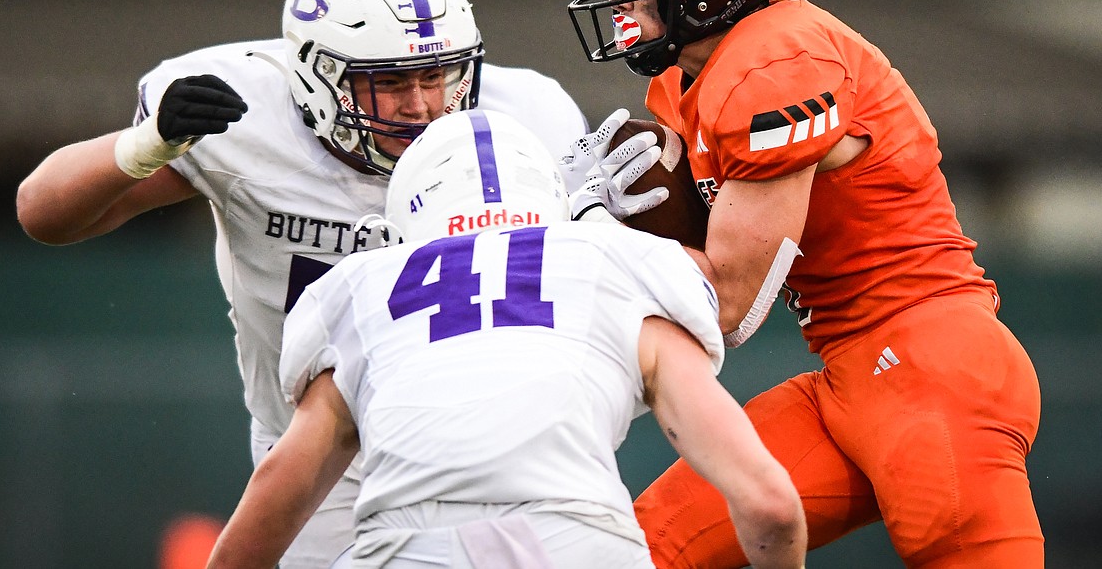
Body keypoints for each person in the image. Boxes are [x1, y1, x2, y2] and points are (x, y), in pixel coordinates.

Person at [15, 0, 588, 569]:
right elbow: (45, 217)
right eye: (391, 81)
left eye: (437, 75)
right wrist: (142, 145)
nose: (423, 105)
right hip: (319, 467)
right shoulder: (248, 116)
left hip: (484, 451)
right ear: (317, 73)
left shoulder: (524, 119)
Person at [564, 0, 1043, 567]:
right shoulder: (691, 79)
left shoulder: (780, 60)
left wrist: (596, 235)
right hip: (849, 372)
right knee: (646, 546)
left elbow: (728, 302)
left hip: (931, 366)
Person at [204, 109, 807, 569]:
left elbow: (273, 501)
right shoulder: (620, 263)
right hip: (576, 546)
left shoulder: (361, 288)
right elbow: (771, 506)